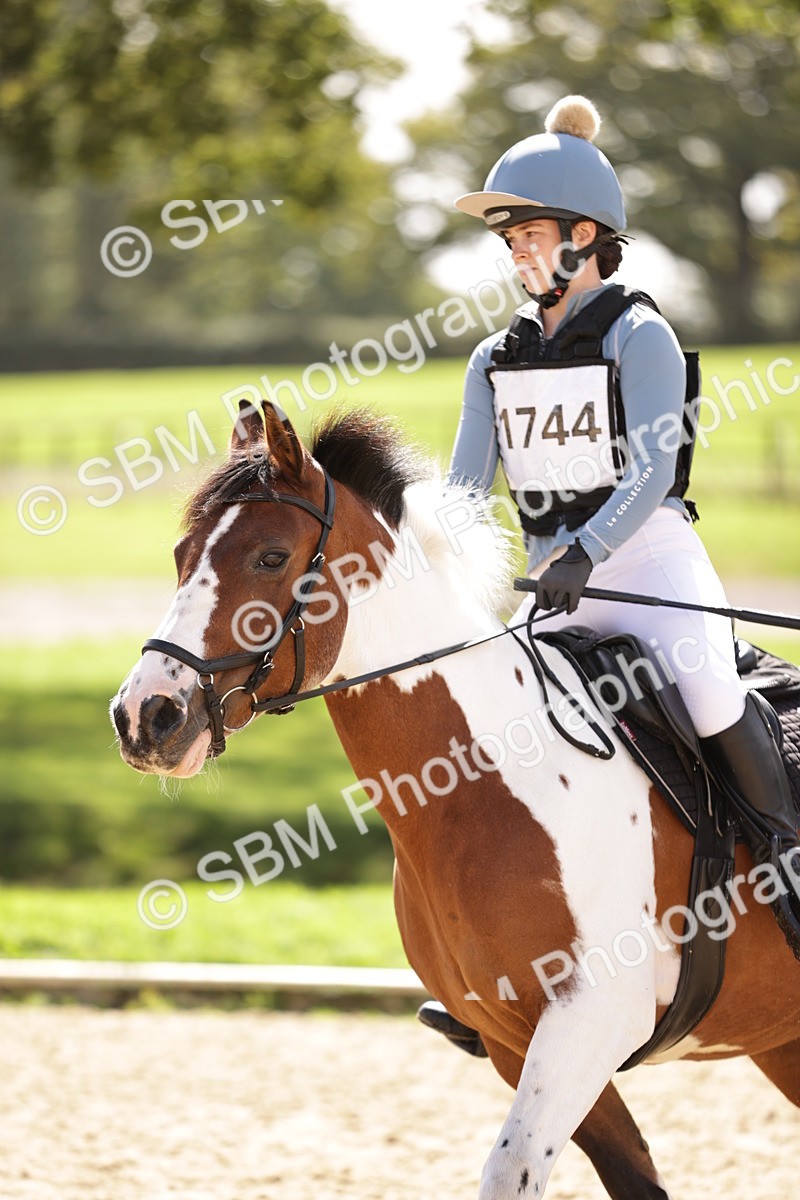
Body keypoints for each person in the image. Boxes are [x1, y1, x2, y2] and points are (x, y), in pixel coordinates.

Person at [418, 94, 800, 1054]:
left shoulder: (642, 334)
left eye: (530, 232)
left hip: (649, 559)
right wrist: (442, 564)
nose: (515, 252)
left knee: (711, 694)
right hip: (554, 584)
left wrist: (589, 553)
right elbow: (467, 488)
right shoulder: (495, 359)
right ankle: (502, 974)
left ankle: (788, 859)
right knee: (498, 731)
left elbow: (654, 469)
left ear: (587, 236)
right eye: (509, 238)